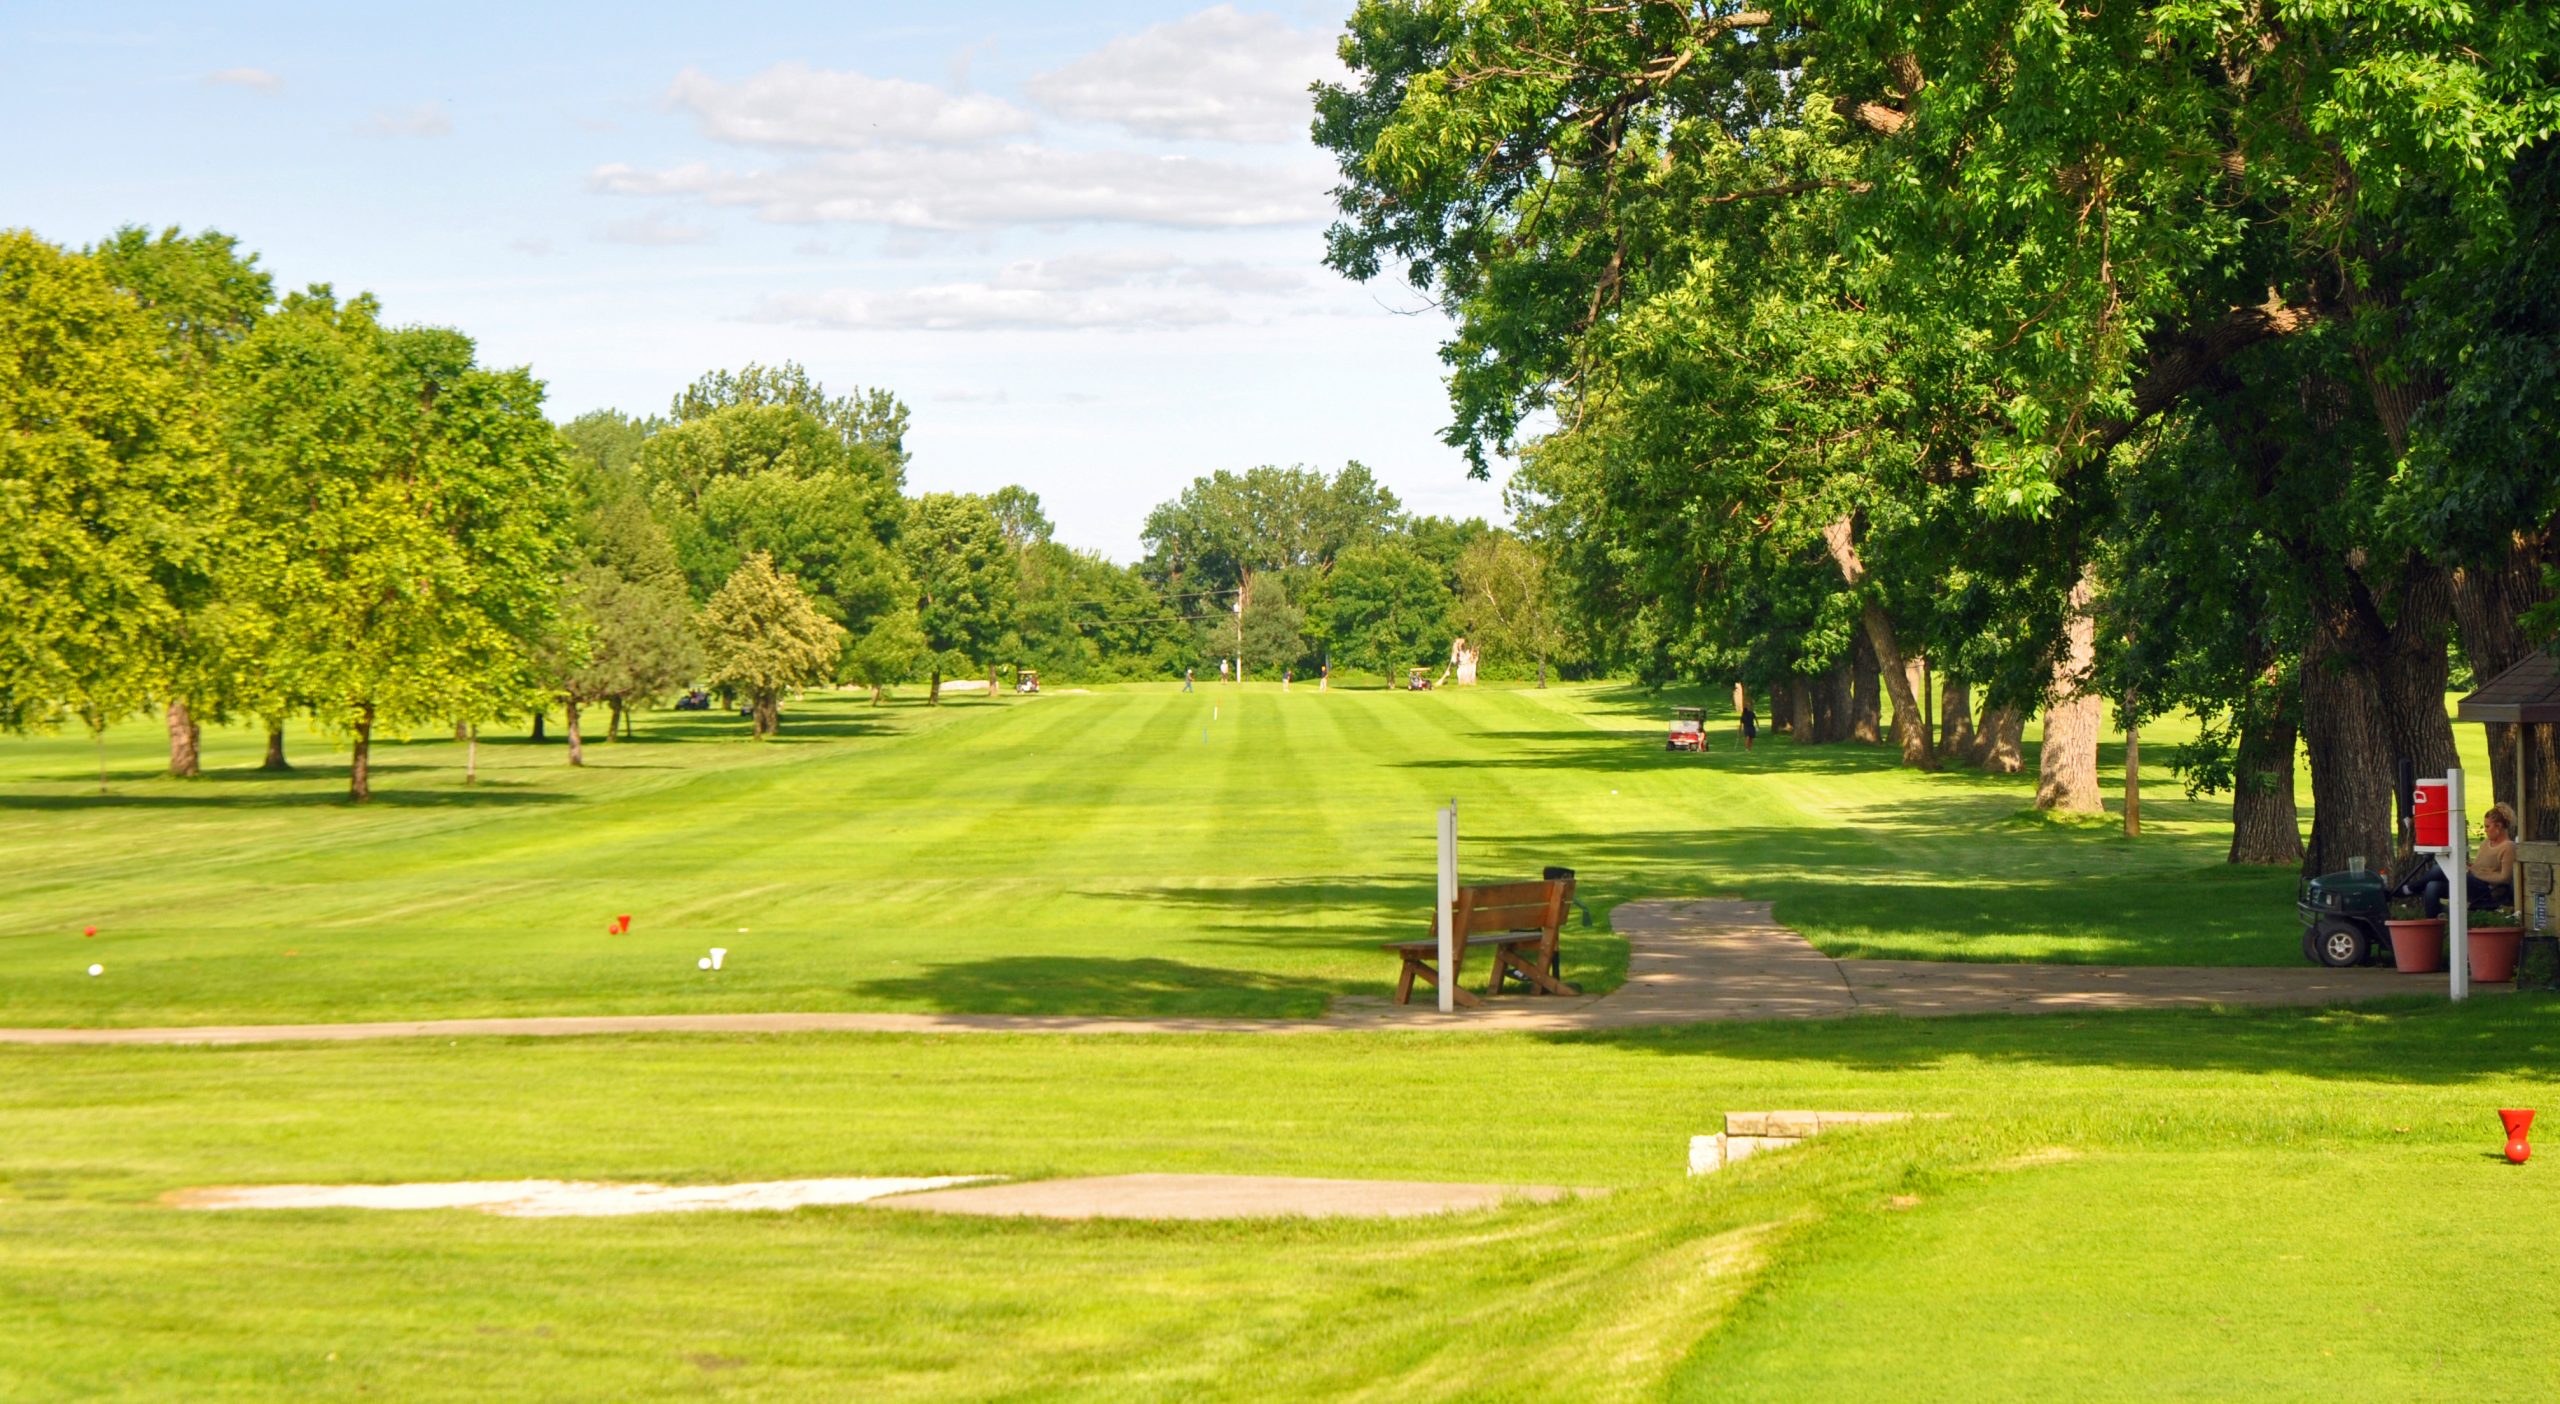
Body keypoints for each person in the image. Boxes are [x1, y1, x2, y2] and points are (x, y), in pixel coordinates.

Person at [2401, 802, 2519, 917]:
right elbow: (2480, 867)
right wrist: (2469, 867)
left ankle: (2409, 889)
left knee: (2440, 869)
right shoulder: (2485, 843)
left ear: (2498, 826)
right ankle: (2433, 927)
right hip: (2473, 881)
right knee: (2432, 886)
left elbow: (2505, 878)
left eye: (2488, 826)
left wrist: (2476, 873)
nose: (2485, 830)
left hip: (2488, 889)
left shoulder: (2508, 847)